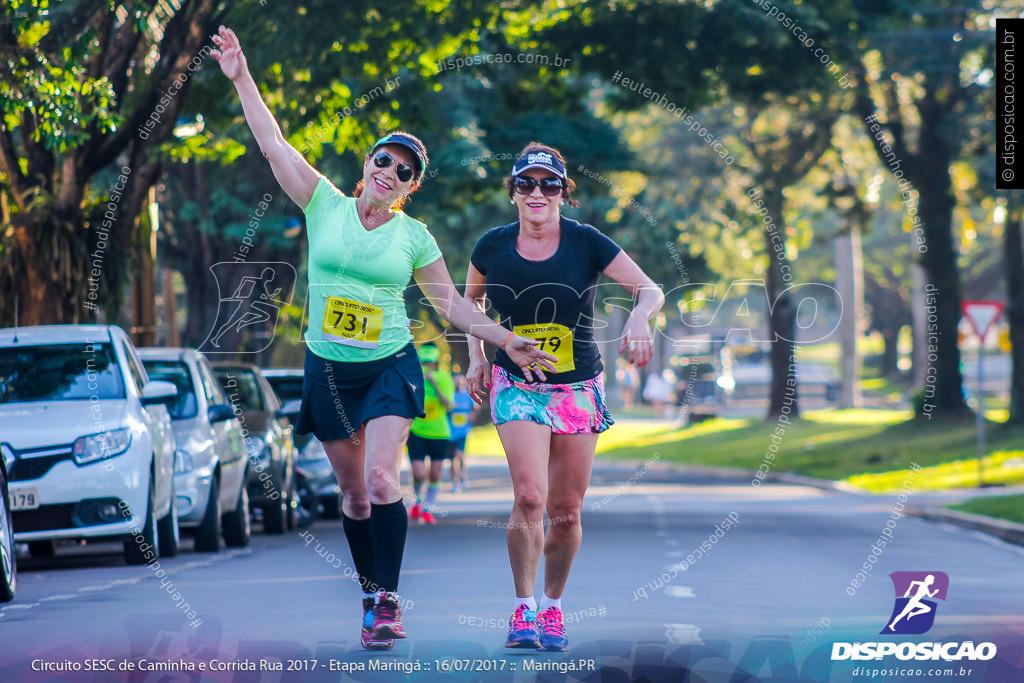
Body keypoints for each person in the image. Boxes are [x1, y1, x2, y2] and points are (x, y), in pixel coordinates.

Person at [211, 27, 556, 651]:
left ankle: (389, 602)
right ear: (366, 165)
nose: (391, 173)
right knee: (353, 497)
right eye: (384, 162)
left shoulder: (414, 238)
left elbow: (452, 303)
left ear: (412, 186)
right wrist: (240, 77)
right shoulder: (324, 203)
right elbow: (272, 145)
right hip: (327, 368)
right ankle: (370, 595)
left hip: (389, 365)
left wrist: (504, 340)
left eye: (405, 171)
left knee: (379, 482)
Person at [464, 143, 664, 651]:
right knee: (529, 496)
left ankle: (553, 607)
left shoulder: (586, 242)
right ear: (513, 192)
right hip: (516, 382)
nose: (537, 193)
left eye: (548, 184)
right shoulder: (491, 246)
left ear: (563, 194)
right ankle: (522, 609)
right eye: (526, 184)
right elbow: (470, 304)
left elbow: (650, 289)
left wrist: (640, 316)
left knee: (567, 509)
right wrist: (479, 355)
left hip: (577, 386)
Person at [407, 344, 454, 524]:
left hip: (439, 432)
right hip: (416, 430)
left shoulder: (443, 378)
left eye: (429, 362)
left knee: (434, 474)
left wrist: (434, 382)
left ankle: (428, 507)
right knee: (419, 473)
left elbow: (449, 405)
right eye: (423, 362)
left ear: (435, 363)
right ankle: (417, 500)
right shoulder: (413, 377)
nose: (426, 365)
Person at [447, 374, 475, 492]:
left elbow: (475, 407)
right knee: (452, 458)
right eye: (456, 382)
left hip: (463, 432)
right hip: (449, 432)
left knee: (459, 456)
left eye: (460, 382)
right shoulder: (449, 395)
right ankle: (455, 480)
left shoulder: (467, 395)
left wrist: (471, 419)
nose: (458, 384)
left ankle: (459, 479)